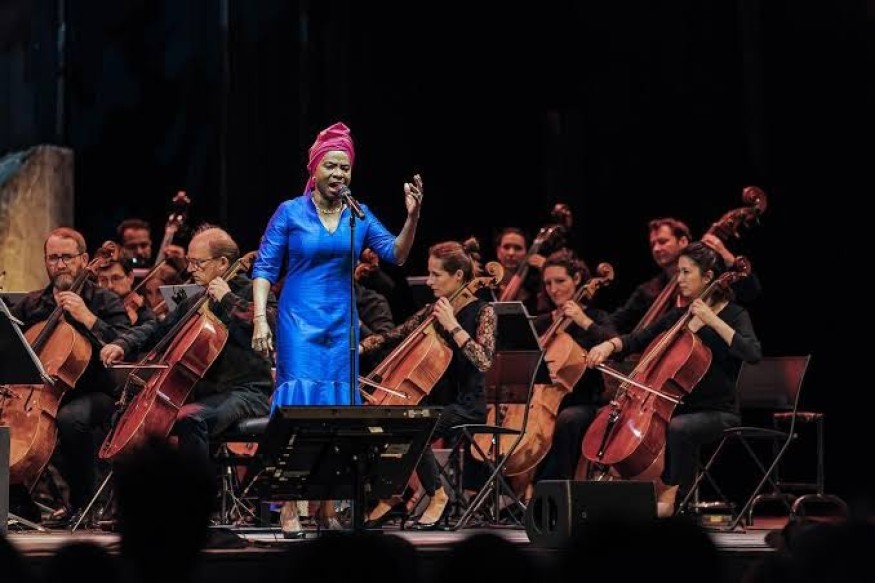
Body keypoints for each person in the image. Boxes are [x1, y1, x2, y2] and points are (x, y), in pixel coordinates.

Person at [249, 121, 423, 534]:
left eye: (345, 167)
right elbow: (264, 269)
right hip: (297, 322)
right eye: (331, 165)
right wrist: (259, 320)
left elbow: (396, 254)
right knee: (299, 408)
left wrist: (412, 217)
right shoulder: (290, 212)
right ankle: (290, 504)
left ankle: (327, 503)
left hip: (341, 325)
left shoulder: (357, 215)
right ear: (314, 168)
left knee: (340, 412)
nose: (339, 174)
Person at [586, 241, 762, 516]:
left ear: (708, 277)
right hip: (673, 406)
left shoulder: (734, 314)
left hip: (717, 411)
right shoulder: (679, 316)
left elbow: (752, 353)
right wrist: (608, 346)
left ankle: (674, 499)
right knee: (611, 418)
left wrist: (712, 320)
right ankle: (613, 494)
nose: (679, 279)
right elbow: (637, 339)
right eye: (678, 271)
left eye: (686, 272)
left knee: (680, 428)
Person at [100, 226, 274, 468]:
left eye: (197, 263)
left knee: (192, 419)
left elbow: (270, 323)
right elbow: (158, 328)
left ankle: (197, 492)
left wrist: (227, 299)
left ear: (223, 263)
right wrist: (123, 343)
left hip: (246, 392)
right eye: (190, 262)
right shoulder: (196, 300)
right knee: (126, 416)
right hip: (202, 394)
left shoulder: (254, 292)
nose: (190, 269)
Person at [361, 240, 497, 530]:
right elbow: (393, 336)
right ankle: (391, 493)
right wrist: (359, 348)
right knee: (389, 422)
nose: (429, 281)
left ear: (458, 276)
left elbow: (484, 360)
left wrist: (452, 325)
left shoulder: (483, 311)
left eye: (436, 275)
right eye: (429, 273)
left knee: (416, 428)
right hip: (433, 402)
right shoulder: (432, 311)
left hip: (466, 405)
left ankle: (437, 495)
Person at [10, 227, 131, 527]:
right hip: (38, 396)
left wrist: (88, 318)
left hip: (96, 393)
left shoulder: (104, 301)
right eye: (53, 258)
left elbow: (127, 344)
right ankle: (19, 504)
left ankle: (84, 503)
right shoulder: (31, 304)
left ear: (84, 259)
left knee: (70, 418)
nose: (60, 264)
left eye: (67, 257)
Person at [531, 250, 617, 484]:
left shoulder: (596, 317)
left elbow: (615, 343)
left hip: (583, 401)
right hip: (542, 402)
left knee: (568, 419)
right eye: (548, 283)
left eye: (560, 281)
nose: (553, 289)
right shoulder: (541, 323)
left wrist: (583, 320)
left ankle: (552, 488)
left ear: (577, 279)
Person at [610, 217, 760, 334]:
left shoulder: (708, 277)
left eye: (662, 241)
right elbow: (616, 322)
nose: (656, 248)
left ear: (682, 241)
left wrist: (728, 257)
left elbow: (751, 292)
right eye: (653, 244)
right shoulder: (648, 290)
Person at [95, 257, 156, 326]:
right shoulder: (94, 309)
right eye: (103, 280)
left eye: (116, 278)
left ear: (130, 277)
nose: (109, 286)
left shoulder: (146, 316)